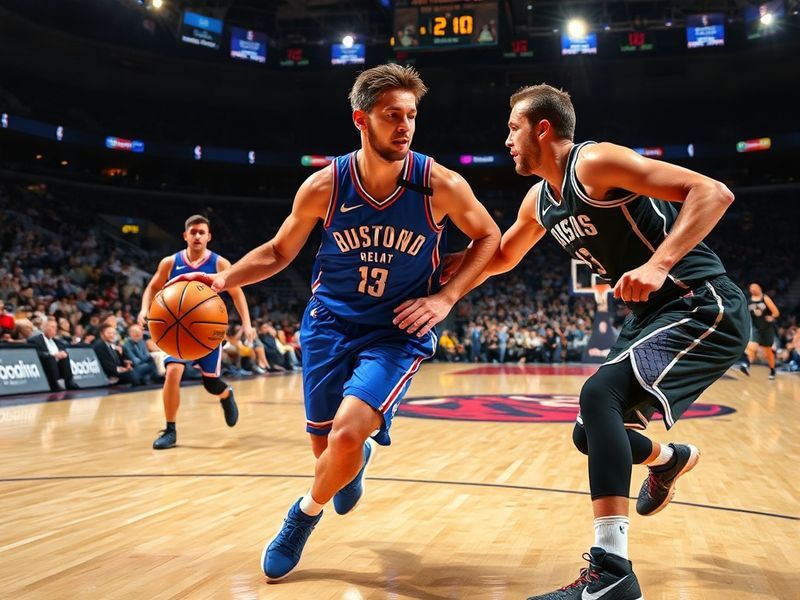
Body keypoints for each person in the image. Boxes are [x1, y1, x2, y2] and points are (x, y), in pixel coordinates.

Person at [209, 64, 500, 581]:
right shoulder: (324, 186)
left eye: (411, 115)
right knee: (328, 452)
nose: (405, 126)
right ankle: (355, 458)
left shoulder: (439, 184)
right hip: (329, 325)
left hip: (397, 330)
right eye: (392, 116)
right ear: (361, 119)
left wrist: (447, 297)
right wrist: (222, 280)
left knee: (342, 438)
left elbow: (489, 236)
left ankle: (301, 516)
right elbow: (278, 252)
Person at [468, 84, 747, 599]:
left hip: (701, 302)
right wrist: (439, 275)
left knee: (599, 395)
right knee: (590, 434)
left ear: (542, 129)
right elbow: (502, 257)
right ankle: (668, 459)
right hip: (651, 316)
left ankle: (612, 569)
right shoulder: (538, 200)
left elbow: (713, 192)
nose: (506, 140)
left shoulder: (594, 162)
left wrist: (658, 264)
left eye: (512, 128)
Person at [136, 214, 255, 450]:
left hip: (208, 332)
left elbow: (237, 293)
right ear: (185, 235)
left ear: (209, 236)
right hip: (175, 330)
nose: (197, 236)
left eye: (202, 232)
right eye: (193, 232)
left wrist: (247, 323)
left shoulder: (220, 263)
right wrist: (143, 309)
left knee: (211, 384)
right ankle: (170, 430)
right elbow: (152, 286)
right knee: (173, 371)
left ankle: (225, 394)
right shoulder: (170, 262)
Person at [740, 282, 780, 379]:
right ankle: (746, 365)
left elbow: (776, 312)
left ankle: (772, 370)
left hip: (767, 329)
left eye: (755, 287)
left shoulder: (765, 298)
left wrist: (772, 317)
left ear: (760, 288)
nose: (753, 289)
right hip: (755, 328)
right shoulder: (749, 301)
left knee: (768, 351)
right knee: (752, 347)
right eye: (751, 287)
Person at [28, 318, 79, 391]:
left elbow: (62, 350)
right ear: (44, 327)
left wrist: (62, 353)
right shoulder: (35, 340)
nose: (55, 329)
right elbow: (35, 353)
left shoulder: (57, 341)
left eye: (56, 327)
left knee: (65, 356)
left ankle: (69, 382)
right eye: (52, 327)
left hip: (57, 361)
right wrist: (52, 355)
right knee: (51, 358)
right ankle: (54, 384)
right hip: (45, 363)